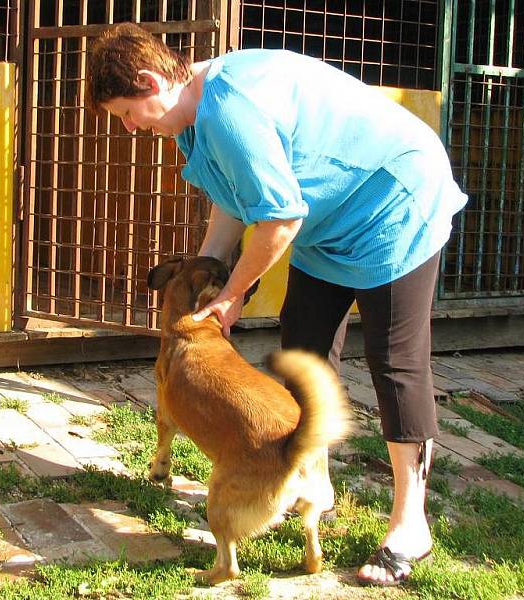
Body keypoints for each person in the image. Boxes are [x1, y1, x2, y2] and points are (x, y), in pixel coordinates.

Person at [86, 22, 467, 587]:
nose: (129, 126)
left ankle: (411, 523)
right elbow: (235, 201)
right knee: (304, 348)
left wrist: (235, 294)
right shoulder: (192, 117)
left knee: (397, 362)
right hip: (327, 221)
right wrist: (205, 278)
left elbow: (280, 218)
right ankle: (314, 484)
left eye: (124, 112)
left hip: (394, 203)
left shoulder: (231, 110)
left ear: (149, 81)